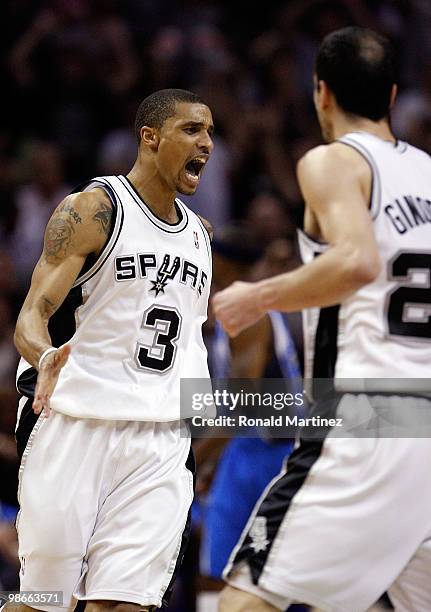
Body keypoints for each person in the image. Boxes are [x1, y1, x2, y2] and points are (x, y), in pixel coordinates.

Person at [213, 27, 431, 612]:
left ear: (322, 93)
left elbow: (356, 260)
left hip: (365, 417)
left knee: (244, 597)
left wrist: (256, 296)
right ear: (391, 96)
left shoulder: (334, 161)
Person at [13, 88, 214, 612]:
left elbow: (190, 341)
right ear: (149, 137)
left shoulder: (201, 236)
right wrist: (43, 355)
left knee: (126, 602)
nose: (207, 143)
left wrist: (201, 420)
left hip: (160, 440)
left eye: (211, 132)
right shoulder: (94, 209)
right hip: (77, 420)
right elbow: (31, 314)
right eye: (192, 130)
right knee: (43, 598)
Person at [196, 225, 300, 589]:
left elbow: (241, 407)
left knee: (247, 576)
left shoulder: (250, 314)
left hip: (271, 457)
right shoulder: (237, 310)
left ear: (223, 263)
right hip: (249, 451)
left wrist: (190, 460)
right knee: (224, 574)